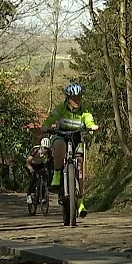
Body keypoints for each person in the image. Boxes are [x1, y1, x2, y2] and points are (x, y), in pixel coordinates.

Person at [43, 83, 99, 218]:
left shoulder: (84, 111)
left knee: (79, 166)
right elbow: (50, 118)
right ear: (68, 99)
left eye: (79, 98)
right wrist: (45, 126)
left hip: (76, 138)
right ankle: (57, 174)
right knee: (60, 146)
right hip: (61, 136)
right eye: (74, 99)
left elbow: (89, 120)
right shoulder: (61, 108)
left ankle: (79, 201)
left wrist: (92, 126)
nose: (77, 101)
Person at [25, 137, 53, 205]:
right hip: (31, 164)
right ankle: (29, 194)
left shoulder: (48, 152)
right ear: (41, 147)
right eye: (44, 148)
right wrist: (30, 168)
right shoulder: (35, 150)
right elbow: (27, 162)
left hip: (40, 164)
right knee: (33, 178)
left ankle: (43, 196)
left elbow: (50, 161)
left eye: (47, 149)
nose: (46, 150)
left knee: (44, 178)